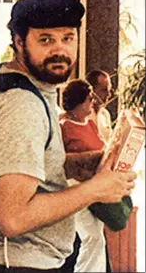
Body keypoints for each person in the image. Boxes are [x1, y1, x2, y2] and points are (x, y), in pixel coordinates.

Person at [0, 0, 136, 273]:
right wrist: (95, 190)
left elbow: (23, 168)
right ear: (19, 42)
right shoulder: (22, 105)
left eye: (67, 38)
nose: (59, 50)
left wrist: (81, 163)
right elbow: (14, 218)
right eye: (45, 39)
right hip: (18, 265)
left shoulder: (16, 84)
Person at [60, 79, 108, 272]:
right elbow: (61, 161)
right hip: (74, 187)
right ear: (79, 102)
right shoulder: (64, 127)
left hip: (94, 186)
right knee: (92, 237)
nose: (93, 102)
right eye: (89, 98)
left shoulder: (90, 124)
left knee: (97, 237)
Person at [86, 69, 113, 144]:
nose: (109, 95)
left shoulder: (105, 114)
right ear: (92, 90)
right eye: (104, 90)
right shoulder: (82, 114)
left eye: (109, 90)